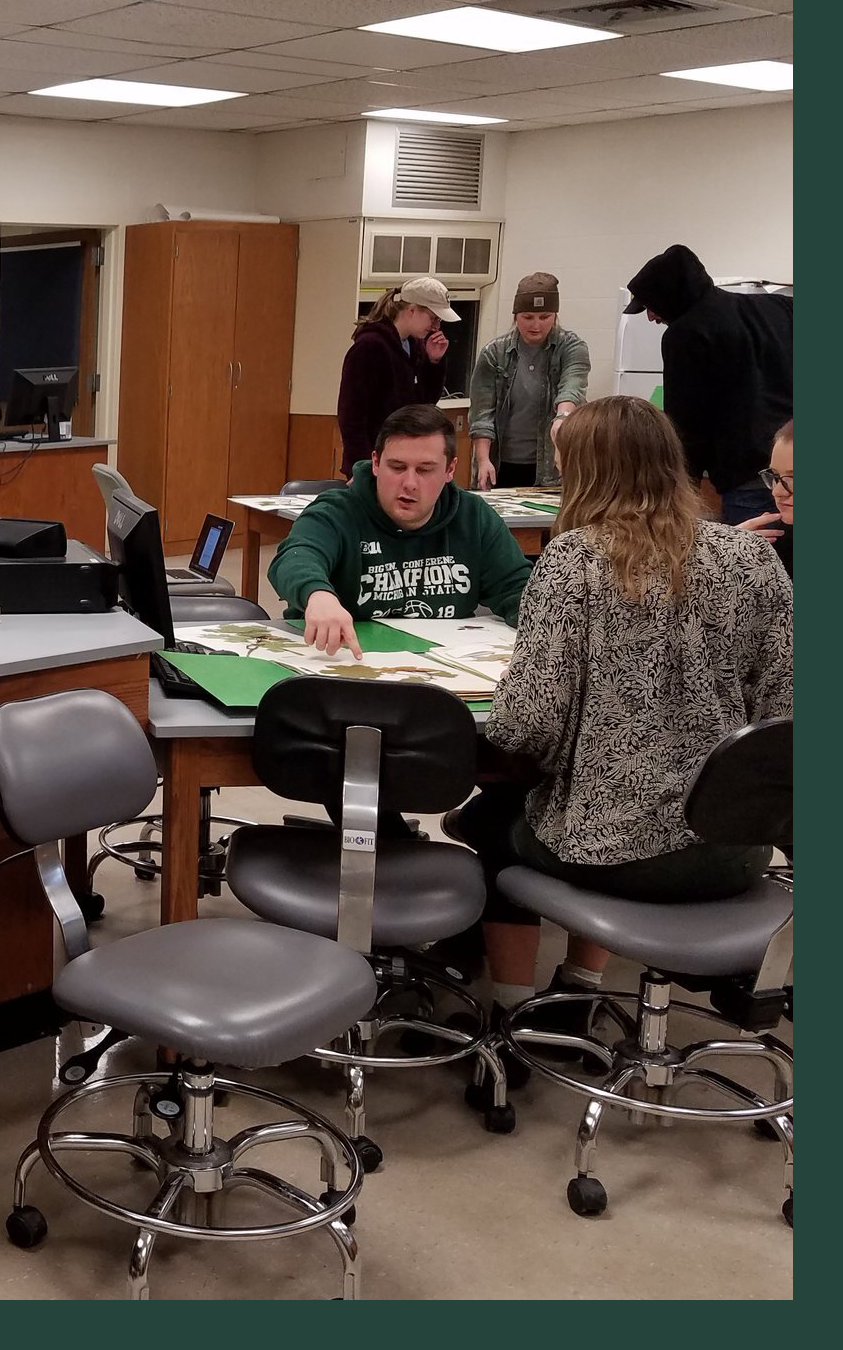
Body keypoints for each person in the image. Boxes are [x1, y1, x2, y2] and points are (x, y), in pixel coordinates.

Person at [450, 397, 791, 1017]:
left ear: (588, 474)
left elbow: (525, 724)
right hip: (735, 848)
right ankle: (579, 986)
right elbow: (785, 716)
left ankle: (513, 1012)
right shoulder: (753, 559)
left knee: (495, 819)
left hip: (618, 852)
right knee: (580, 812)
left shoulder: (574, 562)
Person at [267, 404, 531, 658]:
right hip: (345, 662)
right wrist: (318, 596)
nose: (409, 483)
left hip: (444, 668)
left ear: (450, 469)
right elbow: (295, 557)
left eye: (425, 470)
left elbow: (519, 590)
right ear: (375, 463)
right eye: (397, 467)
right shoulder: (337, 512)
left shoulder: (473, 517)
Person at [625, 243, 792, 525]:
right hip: (792, 463)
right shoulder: (778, 306)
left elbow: (685, 424)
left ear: (670, 296)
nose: (651, 316)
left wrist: (681, 492)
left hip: (745, 476)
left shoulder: (686, 333)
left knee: (751, 563)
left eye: (651, 306)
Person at [467, 271, 590, 490]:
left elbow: (573, 385)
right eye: (528, 317)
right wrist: (483, 460)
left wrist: (562, 417)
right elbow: (482, 415)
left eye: (544, 317)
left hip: (552, 467)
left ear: (555, 315)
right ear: (515, 316)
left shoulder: (571, 347)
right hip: (501, 463)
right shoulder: (494, 353)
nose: (536, 325)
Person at [336, 277, 453, 479]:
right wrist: (361, 467)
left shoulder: (413, 346)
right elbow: (351, 415)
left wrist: (434, 363)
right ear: (412, 310)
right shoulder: (370, 346)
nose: (435, 326)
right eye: (432, 318)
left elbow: (424, 406)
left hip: (404, 457)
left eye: (438, 321)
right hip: (372, 461)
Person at [738, 421, 793, 579]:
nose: (777, 491)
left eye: (793, 479)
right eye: (775, 476)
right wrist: (727, 553)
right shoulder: (777, 539)